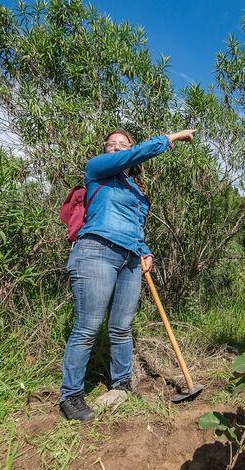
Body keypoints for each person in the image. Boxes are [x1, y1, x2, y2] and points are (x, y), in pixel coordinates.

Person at [60, 128, 197, 422]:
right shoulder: (96, 169)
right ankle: (71, 396)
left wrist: (144, 250)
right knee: (88, 326)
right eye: (114, 145)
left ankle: (121, 385)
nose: (118, 148)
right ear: (105, 149)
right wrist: (170, 139)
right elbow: (131, 157)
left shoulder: (135, 188)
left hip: (131, 258)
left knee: (121, 327)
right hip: (97, 249)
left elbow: (135, 223)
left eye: (124, 145)